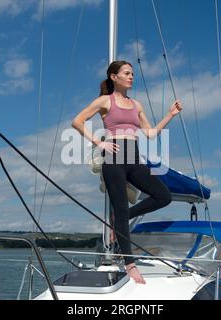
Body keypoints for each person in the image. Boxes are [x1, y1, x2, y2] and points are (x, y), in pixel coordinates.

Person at [72, 60, 182, 284]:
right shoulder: (105, 101)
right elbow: (77, 121)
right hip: (113, 159)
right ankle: (130, 264)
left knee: (163, 196)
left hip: (133, 158)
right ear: (114, 77)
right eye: (126, 73)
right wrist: (98, 143)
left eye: (132, 73)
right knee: (121, 207)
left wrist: (170, 115)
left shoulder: (136, 104)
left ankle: (120, 219)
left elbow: (150, 133)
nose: (131, 76)